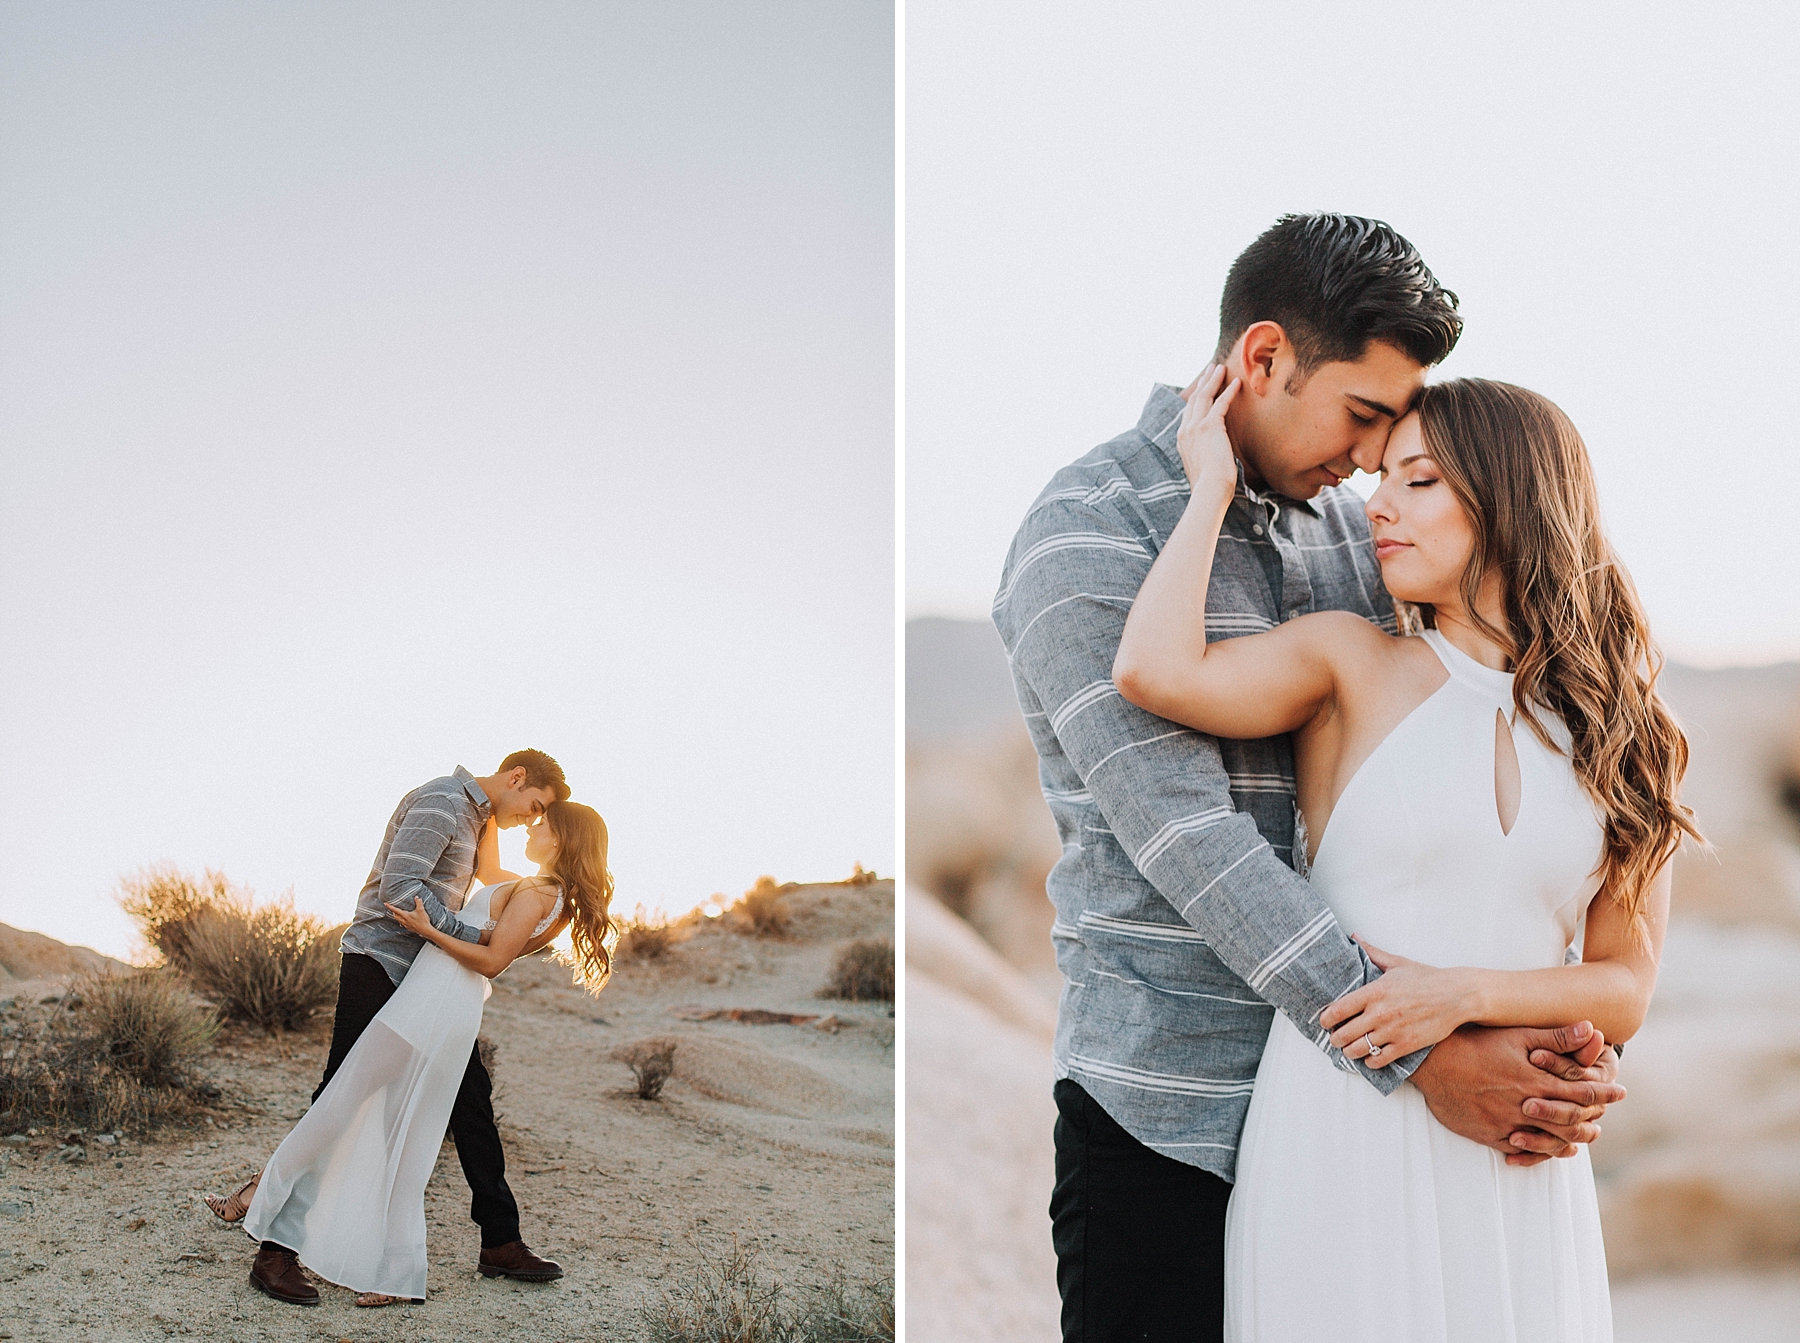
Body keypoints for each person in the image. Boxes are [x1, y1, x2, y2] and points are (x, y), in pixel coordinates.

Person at [990, 214, 1627, 1343]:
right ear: (1266, 357)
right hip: (1169, 1114)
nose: (1375, 463)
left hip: (1373, 1123)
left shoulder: (1356, 532)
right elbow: (1193, 841)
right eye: (1365, 417)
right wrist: (1427, 1050)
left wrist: (1543, 1044)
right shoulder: (1083, 535)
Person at [1113, 371, 1698, 1339]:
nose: (1377, 502)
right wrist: (1209, 485)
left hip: (1518, 1143)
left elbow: (1624, 985)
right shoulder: (1351, 661)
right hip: (1344, 1119)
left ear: (1514, 494)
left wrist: (1460, 993)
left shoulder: (1629, 731)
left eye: (1418, 479)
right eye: (1381, 476)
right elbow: (1153, 670)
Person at [203, 751, 589, 1305]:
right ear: (517, 778)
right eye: (534, 807)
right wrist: (478, 938)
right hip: (382, 963)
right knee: (341, 1093)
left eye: (540, 818)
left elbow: (491, 879)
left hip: (430, 981)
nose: (531, 819)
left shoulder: (477, 818)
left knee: (472, 1102)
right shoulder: (442, 802)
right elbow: (401, 887)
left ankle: (500, 1240)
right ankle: (274, 1250)